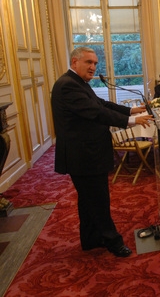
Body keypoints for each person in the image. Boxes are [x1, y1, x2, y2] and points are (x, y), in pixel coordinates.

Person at [51, 47, 153, 257]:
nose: (93, 67)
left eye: (95, 63)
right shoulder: (67, 86)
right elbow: (96, 112)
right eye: (89, 62)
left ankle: (90, 239)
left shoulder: (78, 83)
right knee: (98, 200)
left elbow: (101, 103)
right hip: (83, 156)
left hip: (88, 154)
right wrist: (131, 121)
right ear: (74, 62)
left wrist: (131, 110)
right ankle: (113, 242)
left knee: (88, 200)